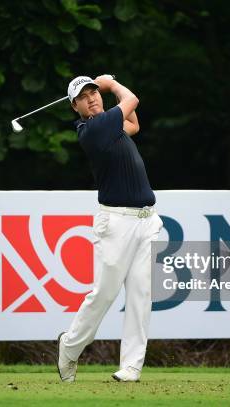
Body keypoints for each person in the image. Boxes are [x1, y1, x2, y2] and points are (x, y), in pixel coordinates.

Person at [57, 75, 163, 382]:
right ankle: (69, 347)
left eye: (94, 93)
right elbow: (132, 101)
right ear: (75, 107)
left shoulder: (110, 126)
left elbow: (134, 123)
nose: (92, 98)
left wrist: (108, 90)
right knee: (103, 294)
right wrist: (110, 83)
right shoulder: (91, 130)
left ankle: (131, 366)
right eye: (84, 97)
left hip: (146, 220)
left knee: (141, 294)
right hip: (116, 223)